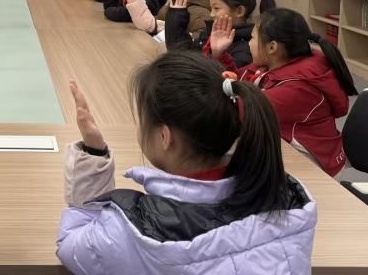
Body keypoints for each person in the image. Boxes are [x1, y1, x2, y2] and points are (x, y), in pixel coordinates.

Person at [57, 52, 316, 274]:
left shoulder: (126, 232)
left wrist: (93, 152)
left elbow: (71, 244)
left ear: (164, 137)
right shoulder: (290, 205)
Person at [225, 8, 357, 176]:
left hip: (314, 165)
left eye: (252, 38)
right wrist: (219, 55)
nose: (249, 43)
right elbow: (239, 79)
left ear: (272, 47)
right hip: (284, 144)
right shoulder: (276, 63)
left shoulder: (298, 89)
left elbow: (241, 111)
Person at [165, 0, 276, 69]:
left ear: (239, 11)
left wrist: (217, 54)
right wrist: (176, 18)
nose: (211, 14)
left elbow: (223, 78)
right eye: (211, 8)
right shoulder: (210, 32)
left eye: (216, 8)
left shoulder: (247, 46)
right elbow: (185, 56)